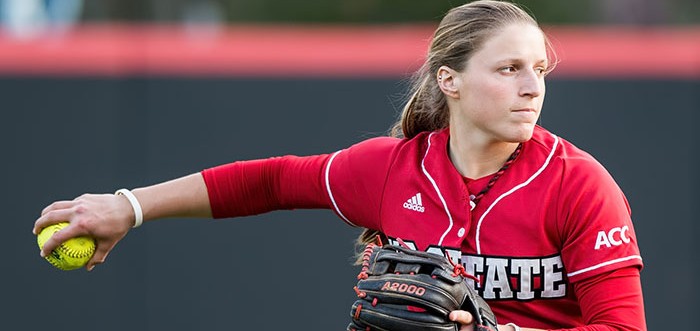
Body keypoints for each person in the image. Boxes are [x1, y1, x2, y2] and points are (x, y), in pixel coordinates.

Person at [33, 1, 647, 330]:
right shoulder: (390, 171)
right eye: (509, 69)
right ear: (449, 79)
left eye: (539, 70)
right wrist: (129, 207)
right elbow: (268, 180)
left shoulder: (579, 185)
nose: (531, 87)